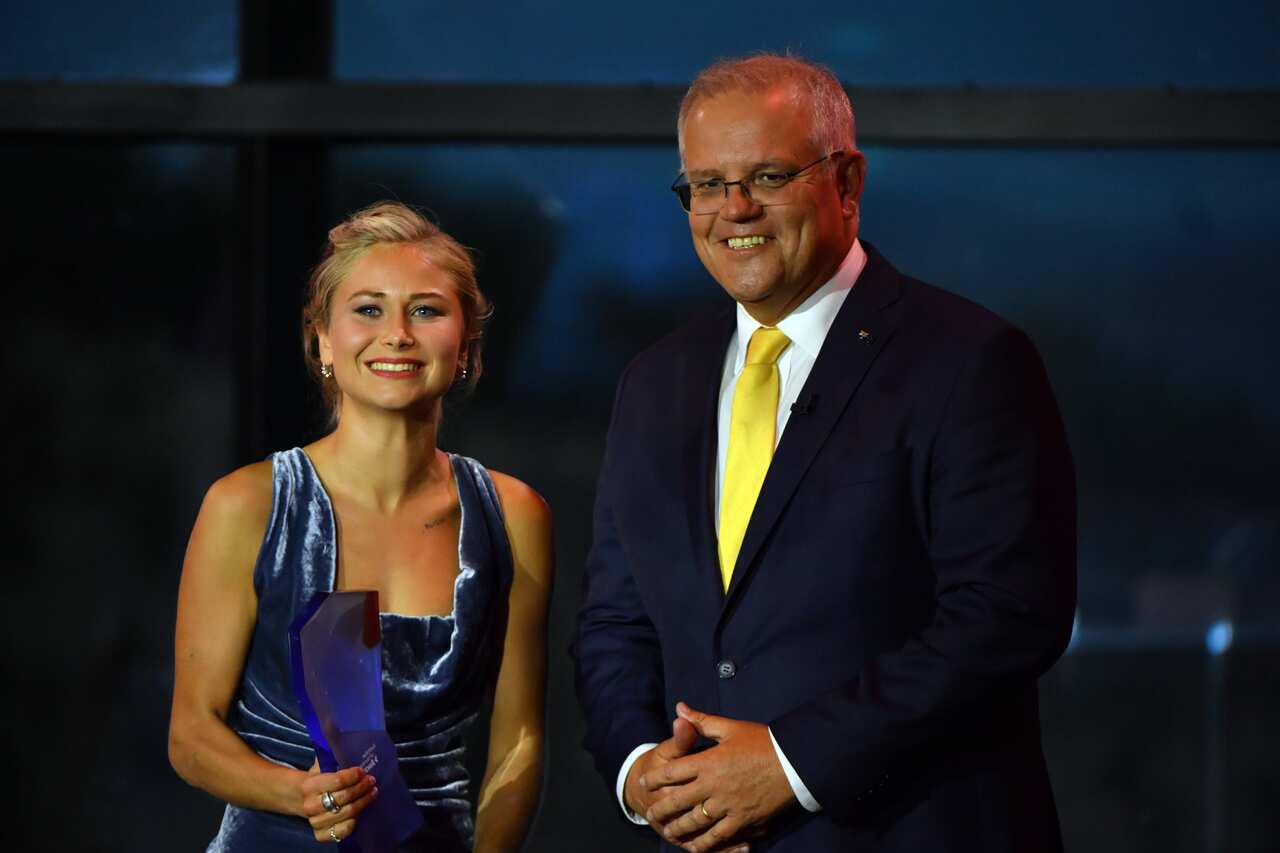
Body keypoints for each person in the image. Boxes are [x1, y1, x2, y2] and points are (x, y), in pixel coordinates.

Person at [571, 54, 1076, 852]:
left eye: (767, 176)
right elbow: (614, 621)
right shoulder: (654, 382)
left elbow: (1006, 614)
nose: (734, 208)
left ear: (847, 181)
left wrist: (790, 761)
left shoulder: (968, 359)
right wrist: (641, 771)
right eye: (706, 184)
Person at [169, 201, 553, 852]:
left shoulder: (513, 514)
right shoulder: (247, 504)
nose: (397, 334)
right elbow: (191, 735)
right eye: (369, 309)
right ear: (323, 339)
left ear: (465, 346)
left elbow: (520, 740)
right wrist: (297, 792)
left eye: (425, 310)